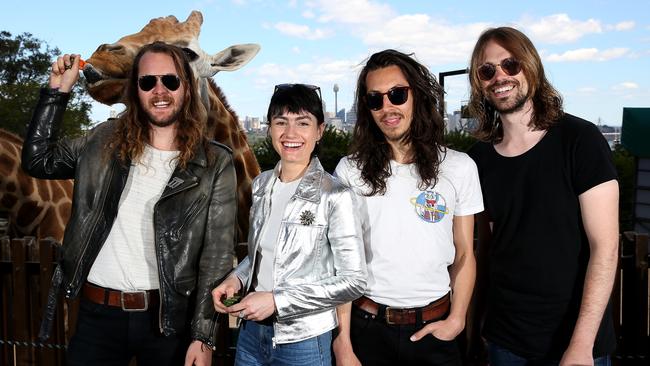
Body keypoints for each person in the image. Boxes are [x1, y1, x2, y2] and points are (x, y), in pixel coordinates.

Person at [22, 41, 237, 366]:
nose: (159, 90)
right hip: (97, 317)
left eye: (171, 80)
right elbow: (39, 160)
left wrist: (202, 335)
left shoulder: (214, 162)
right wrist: (56, 93)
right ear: (136, 90)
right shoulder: (102, 141)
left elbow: (217, 257)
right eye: (147, 82)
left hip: (168, 322)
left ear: (187, 88)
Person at [466, 27, 619, 365]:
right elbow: (487, 251)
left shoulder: (581, 140)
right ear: (479, 83)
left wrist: (581, 344)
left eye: (511, 64)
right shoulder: (478, 160)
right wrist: (476, 324)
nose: (500, 77)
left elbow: (605, 248)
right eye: (487, 70)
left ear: (531, 67)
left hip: (576, 342)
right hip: (505, 341)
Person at [332, 49, 484, 366]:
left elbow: (465, 253)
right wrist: (343, 341)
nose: (387, 107)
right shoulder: (349, 170)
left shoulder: (459, 168)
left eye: (397, 94)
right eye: (375, 99)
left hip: (435, 331)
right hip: (366, 330)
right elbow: (341, 261)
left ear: (417, 95)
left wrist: (457, 320)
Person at [211, 83, 366, 366]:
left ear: (319, 132)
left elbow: (353, 281)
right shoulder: (261, 185)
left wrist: (278, 301)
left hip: (304, 342)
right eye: (281, 122)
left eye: (302, 123)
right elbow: (262, 254)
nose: (290, 133)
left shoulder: (335, 195)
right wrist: (237, 278)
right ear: (270, 128)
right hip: (251, 333)